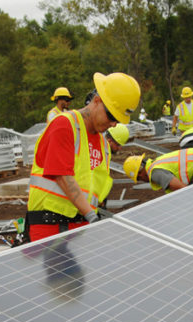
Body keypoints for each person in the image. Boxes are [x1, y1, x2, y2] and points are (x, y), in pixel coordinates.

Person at [26, 72, 140, 241]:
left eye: (118, 120)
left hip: (80, 229)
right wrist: (91, 217)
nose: (113, 124)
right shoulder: (64, 125)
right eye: (111, 116)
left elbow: (95, 188)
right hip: (50, 228)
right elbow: (62, 176)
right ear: (97, 100)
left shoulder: (103, 145)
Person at [122, 148, 193, 193]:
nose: (142, 181)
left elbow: (182, 189)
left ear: (140, 174)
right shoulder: (157, 163)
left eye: (138, 178)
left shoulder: (154, 172)